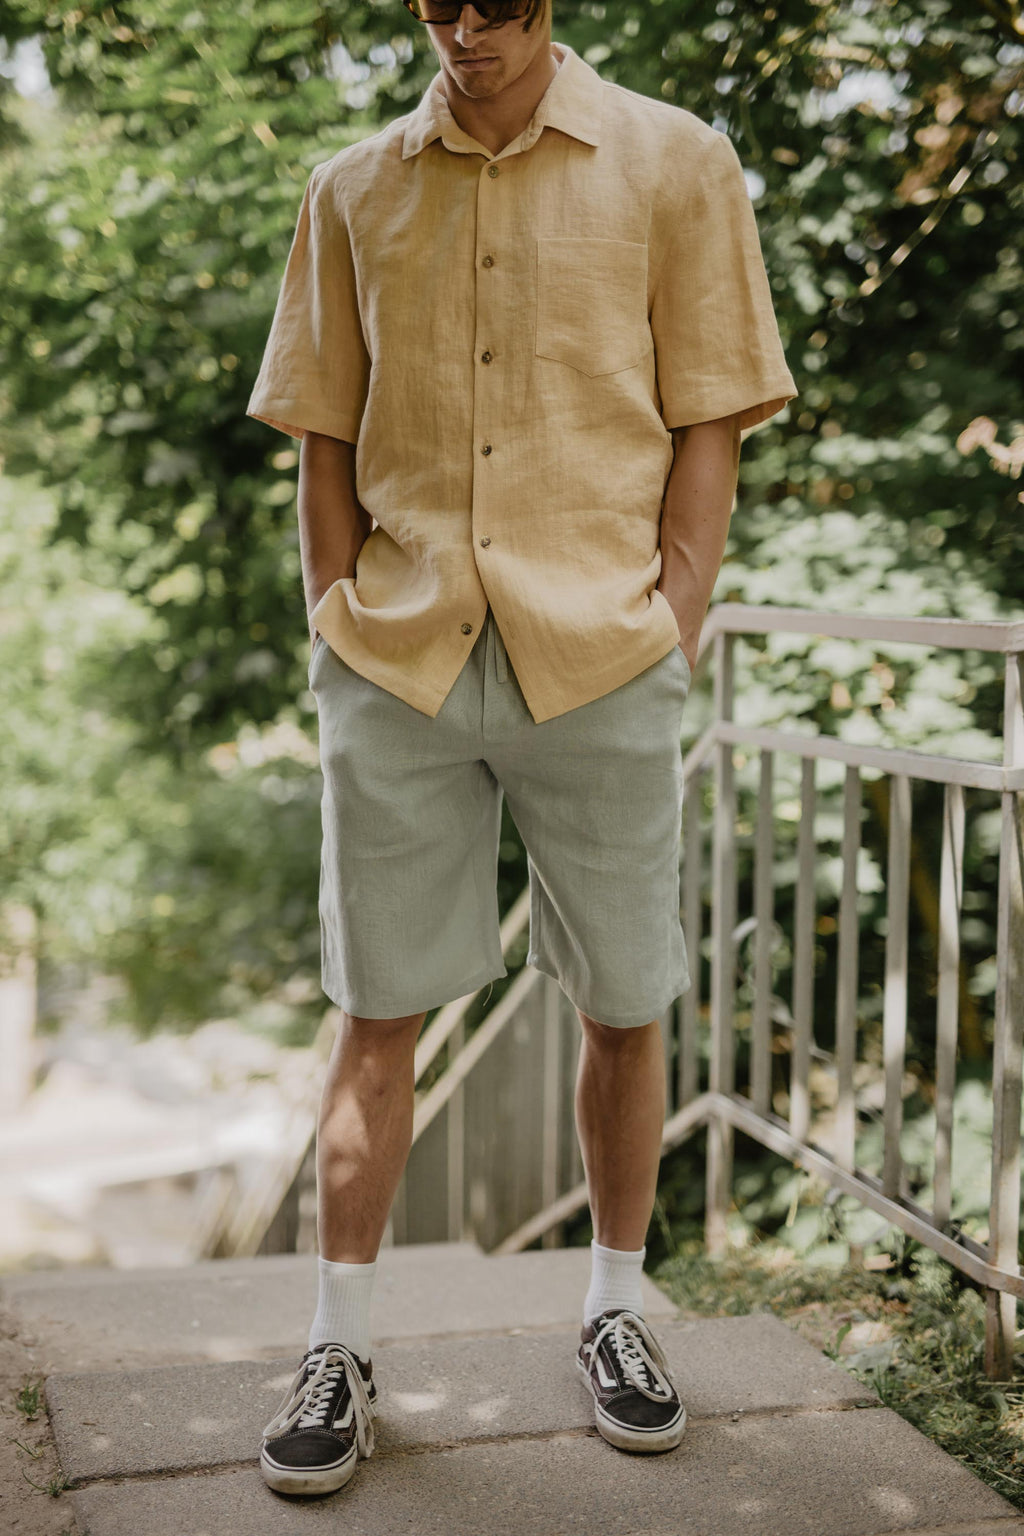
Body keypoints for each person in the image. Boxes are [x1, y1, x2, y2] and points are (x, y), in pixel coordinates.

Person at [247, 0, 796, 1498]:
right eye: (440, 8)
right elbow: (321, 429)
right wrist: (333, 616)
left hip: (601, 654)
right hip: (401, 656)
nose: (468, 33)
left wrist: (676, 607)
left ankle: (618, 1310)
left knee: (626, 1001)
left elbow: (715, 409)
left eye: (499, 6)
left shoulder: (676, 162)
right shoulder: (354, 187)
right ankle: (339, 1348)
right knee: (377, 1010)